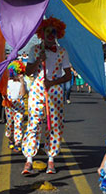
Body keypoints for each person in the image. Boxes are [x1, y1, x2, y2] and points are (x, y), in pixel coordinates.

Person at [22, 17, 73, 175]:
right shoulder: (34, 50)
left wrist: (53, 82)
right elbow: (28, 72)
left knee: (54, 124)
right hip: (38, 88)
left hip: (54, 90)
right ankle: (29, 159)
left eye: (54, 31)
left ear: (58, 33)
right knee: (34, 122)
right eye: (48, 31)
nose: (51, 34)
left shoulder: (62, 52)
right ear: (42, 33)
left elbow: (68, 75)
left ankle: (51, 159)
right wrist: (39, 60)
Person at [4, 61, 27, 152]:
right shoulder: (8, 82)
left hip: (19, 106)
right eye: (16, 73)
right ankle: (10, 139)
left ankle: (17, 142)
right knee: (9, 124)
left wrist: (21, 81)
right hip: (9, 106)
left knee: (18, 124)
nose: (17, 75)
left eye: (19, 73)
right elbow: (3, 92)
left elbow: (23, 94)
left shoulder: (23, 83)